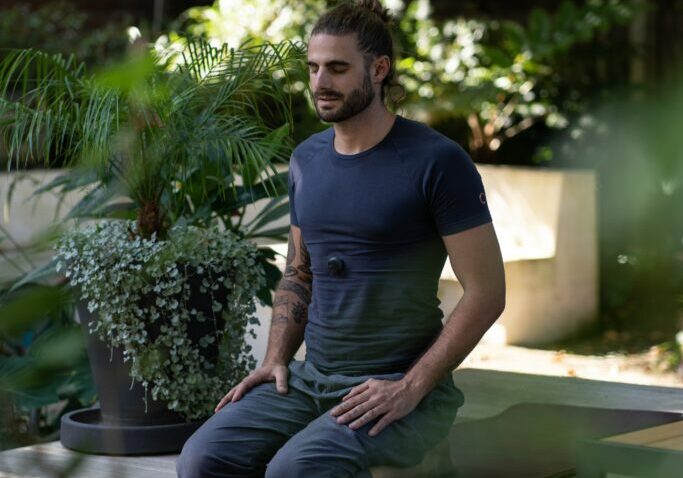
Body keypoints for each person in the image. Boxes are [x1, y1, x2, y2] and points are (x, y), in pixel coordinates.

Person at [176, 1, 505, 476]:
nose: (319, 83)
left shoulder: (437, 161)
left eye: (336, 68)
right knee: (202, 459)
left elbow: (487, 291)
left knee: (293, 471)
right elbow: (299, 270)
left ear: (379, 69)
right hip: (311, 380)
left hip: (394, 386)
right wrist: (275, 359)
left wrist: (412, 387)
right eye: (312, 68)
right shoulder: (307, 159)